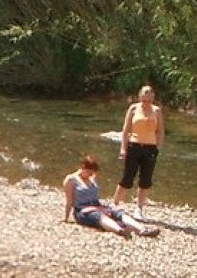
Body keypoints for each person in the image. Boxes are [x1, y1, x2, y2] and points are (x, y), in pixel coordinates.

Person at [64, 155, 159, 238]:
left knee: (117, 212)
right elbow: (69, 201)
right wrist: (66, 218)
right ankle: (120, 230)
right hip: (82, 210)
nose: (90, 175)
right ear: (83, 167)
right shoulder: (71, 180)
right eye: (89, 172)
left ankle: (142, 229)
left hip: (97, 205)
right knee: (98, 216)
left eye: (92, 173)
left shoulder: (92, 179)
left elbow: (96, 196)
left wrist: (101, 207)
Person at [112, 84, 165, 220]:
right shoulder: (134, 108)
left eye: (149, 99)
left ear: (153, 98)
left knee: (145, 179)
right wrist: (123, 148)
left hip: (150, 148)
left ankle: (139, 208)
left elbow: (160, 131)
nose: (146, 102)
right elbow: (125, 130)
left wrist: (158, 147)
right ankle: (115, 204)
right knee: (127, 177)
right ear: (140, 96)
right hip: (134, 146)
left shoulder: (157, 111)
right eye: (144, 99)